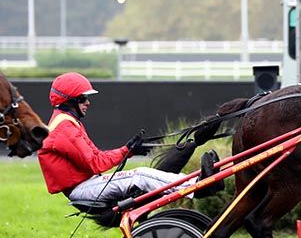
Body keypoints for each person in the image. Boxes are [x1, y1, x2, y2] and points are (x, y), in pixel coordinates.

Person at [37, 72, 222, 206]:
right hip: (83, 189)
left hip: (88, 183)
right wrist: (127, 151)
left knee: (140, 174)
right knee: (140, 175)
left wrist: (129, 150)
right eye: (82, 98)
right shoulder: (64, 129)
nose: (88, 102)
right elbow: (95, 163)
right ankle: (196, 185)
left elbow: (96, 156)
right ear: (69, 101)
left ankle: (194, 182)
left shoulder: (68, 123)